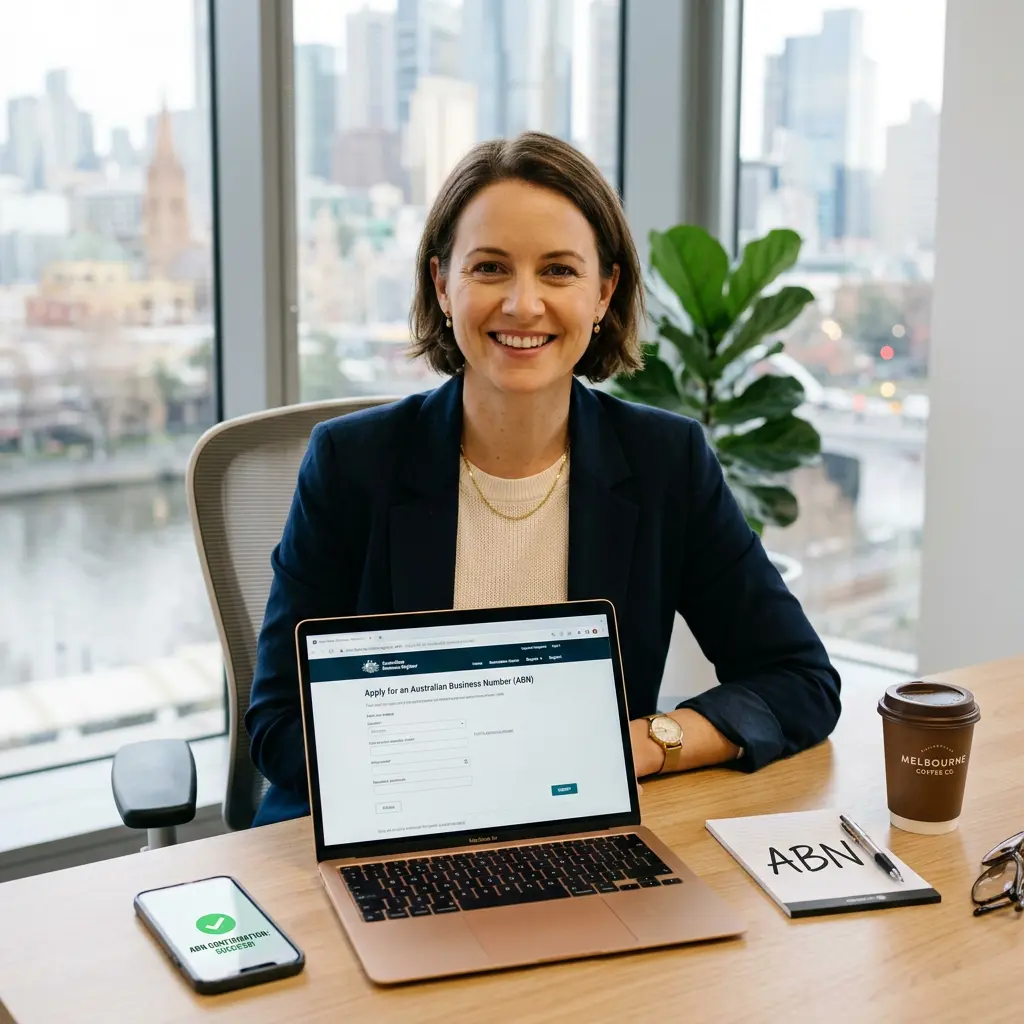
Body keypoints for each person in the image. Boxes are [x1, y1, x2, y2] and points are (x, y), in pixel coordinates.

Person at [245, 132, 841, 827]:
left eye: (558, 271)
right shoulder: (352, 463)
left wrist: (645, 745)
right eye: (491, 268)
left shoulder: (664, 462)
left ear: (604, 291)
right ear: (443, 285)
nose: (523, 305)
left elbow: (800, 681)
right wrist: (452, 774)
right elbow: (279, 725)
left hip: (575, 824)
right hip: (378, 830)